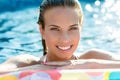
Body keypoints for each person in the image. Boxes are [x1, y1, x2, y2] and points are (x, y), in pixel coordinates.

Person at [0, 0, 120, 73]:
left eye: (73, 28)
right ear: (42, 30)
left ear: (81, 27)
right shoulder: (26, 63)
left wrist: (90, 65)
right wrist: (39, 69)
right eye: (55, 29)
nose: (65, 39)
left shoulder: (93, 57)